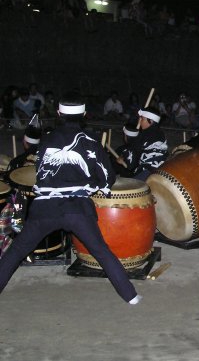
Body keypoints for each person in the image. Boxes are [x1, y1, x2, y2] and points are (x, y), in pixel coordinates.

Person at [0, 95, 141, 304]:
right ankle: (130, 296)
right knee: (101, 252)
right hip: (77, 210)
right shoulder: (91, 142)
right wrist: (93, 184)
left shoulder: (46, 141)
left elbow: (41, 171)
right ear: (84, 116)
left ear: (58, 115)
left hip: (45, 209)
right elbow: (108, 178)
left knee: (17, 250)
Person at [117, 106, 168, 181]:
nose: (140, 121)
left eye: (142, 119)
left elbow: (133, 162)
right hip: (163, 166)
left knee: (131, 187)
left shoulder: (145, 135)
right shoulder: (160, 133)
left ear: (150, 121)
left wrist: (123, 161)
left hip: (149, 170)